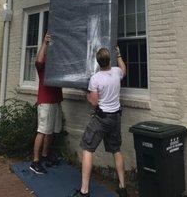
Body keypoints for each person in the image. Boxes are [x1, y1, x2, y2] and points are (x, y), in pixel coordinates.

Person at [69, 46, 128, 197]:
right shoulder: (116, 72)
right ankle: (122, 187)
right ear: (110, 60)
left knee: (87, 148)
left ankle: (84, 192)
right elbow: (124, 70)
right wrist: (119, 55)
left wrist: (87, 96)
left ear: (97, 62)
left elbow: (94, 103)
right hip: (115, 118)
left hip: (102, 119)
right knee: (116, 150)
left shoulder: (96, 78)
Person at [29, 33, 63, 174]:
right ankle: (35, 162)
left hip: (56, 101)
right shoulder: (43, 65)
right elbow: (38, 61)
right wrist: (44, 43)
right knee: (42, 131)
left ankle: (45, 156)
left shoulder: (57, 65)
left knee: (51, 131)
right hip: (45, 101)